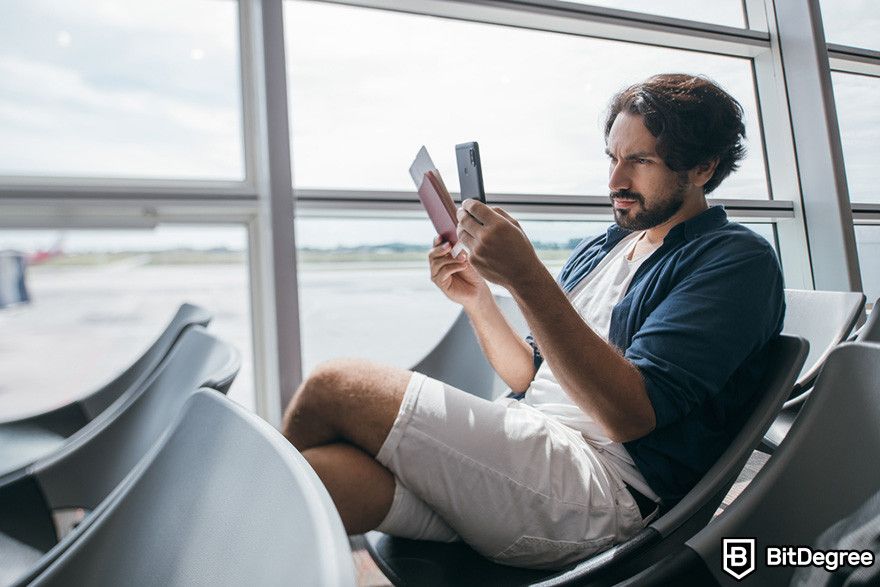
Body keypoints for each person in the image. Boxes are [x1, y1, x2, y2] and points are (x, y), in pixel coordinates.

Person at [282, 73, 785, 569]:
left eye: (640, 161)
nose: (615, 181)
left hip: (598, 489)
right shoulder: (604, 249)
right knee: (321, 476)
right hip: (524, 456)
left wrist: (527, 279)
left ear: (702, 168)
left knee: (336, 384)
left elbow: (628, 416)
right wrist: (478, 298)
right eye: (613, 157)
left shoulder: (734, 260)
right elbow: (532, 376)